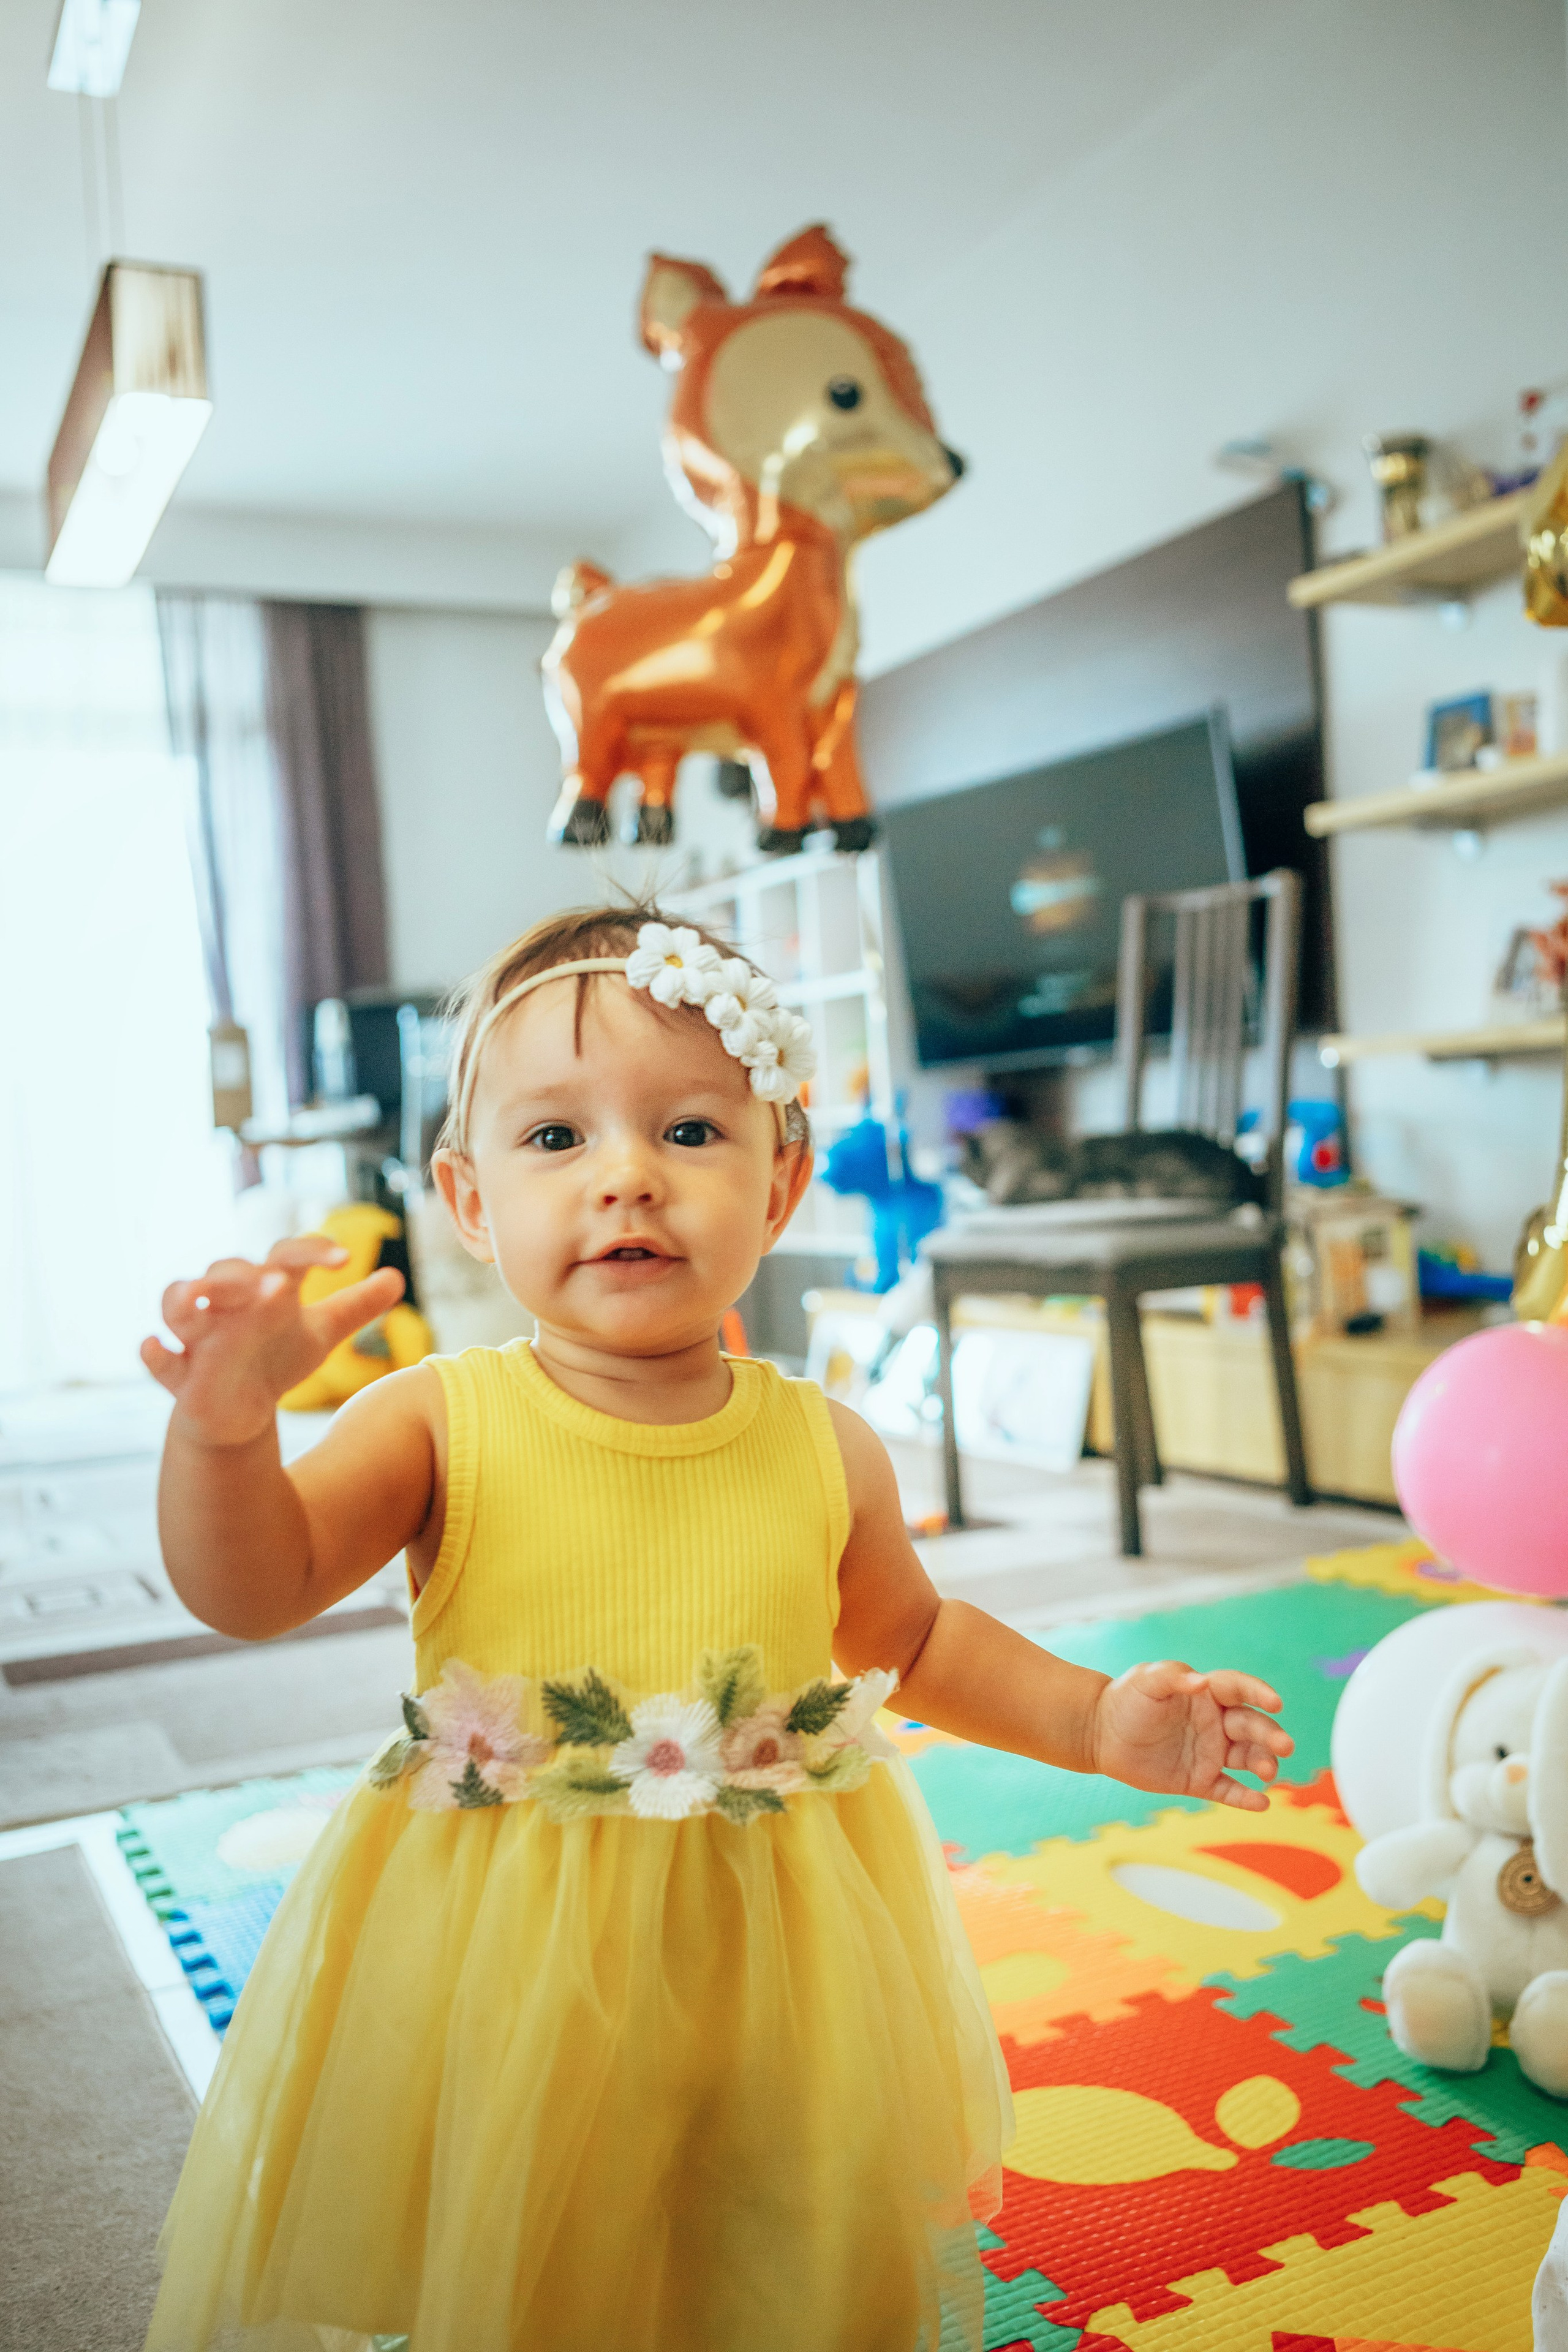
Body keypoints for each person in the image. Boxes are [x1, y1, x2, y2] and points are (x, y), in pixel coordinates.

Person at [140, 904, 1293, 2352]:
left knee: (782, 2256)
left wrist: (1093, 1720)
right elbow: (252, 1585)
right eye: (556, 1139)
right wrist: (228, 1436)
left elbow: (916, 1646)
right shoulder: (437, 1420)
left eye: (688, 1132)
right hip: (516, 1956)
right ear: (470, 1197)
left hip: (778, 1957)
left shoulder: (827, 1446)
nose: (626, 1178)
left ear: (783, 1181)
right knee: (543, 2253)